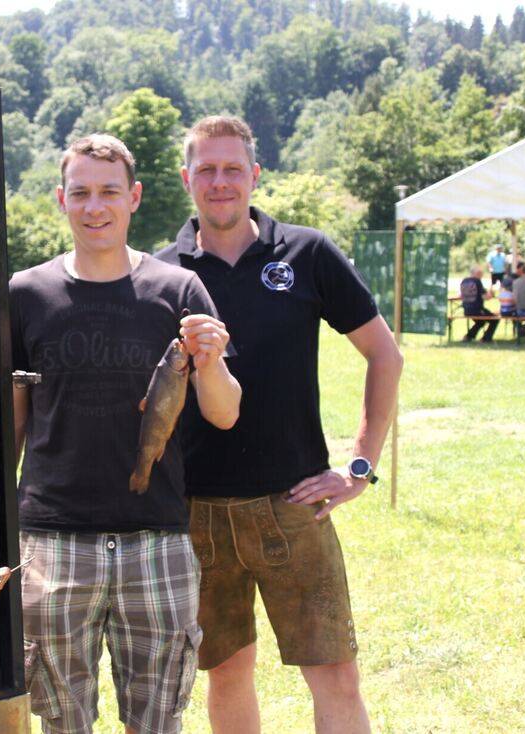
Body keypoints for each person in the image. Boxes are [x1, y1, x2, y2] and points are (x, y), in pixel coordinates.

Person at [156, 115, 403, 734]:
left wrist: (360, 467)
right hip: (198, 512)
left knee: (337, 679)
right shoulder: (162, 274)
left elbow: (385, 354)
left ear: (255, 175)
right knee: (228, 674)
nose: (220, 182)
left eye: (232, 169)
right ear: (186, 178)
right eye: (206, 170)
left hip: (296, 505)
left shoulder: (307, 253)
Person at [10, 134, 241, 734]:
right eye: (81, 193)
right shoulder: (25, 294)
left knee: (158, 723)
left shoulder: (179, 290)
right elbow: (15, 421)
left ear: (133, 197)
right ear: (61, 198)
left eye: (109, 192)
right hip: (52, 543)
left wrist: (211, 361)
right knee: (64, 723)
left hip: (157, 539)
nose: (95, 207)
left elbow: (224, 413)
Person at [459, 265, 499, 342]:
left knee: (481, 322)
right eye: (481, 273)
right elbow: (485, 297)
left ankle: (468, 336)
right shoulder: (477, 281)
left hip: (466, 310)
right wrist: (491, 294)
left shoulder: (464, 281)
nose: (482, 275)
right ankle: (486, 338)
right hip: (477, 310)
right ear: (477, 273)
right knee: (494, 319)